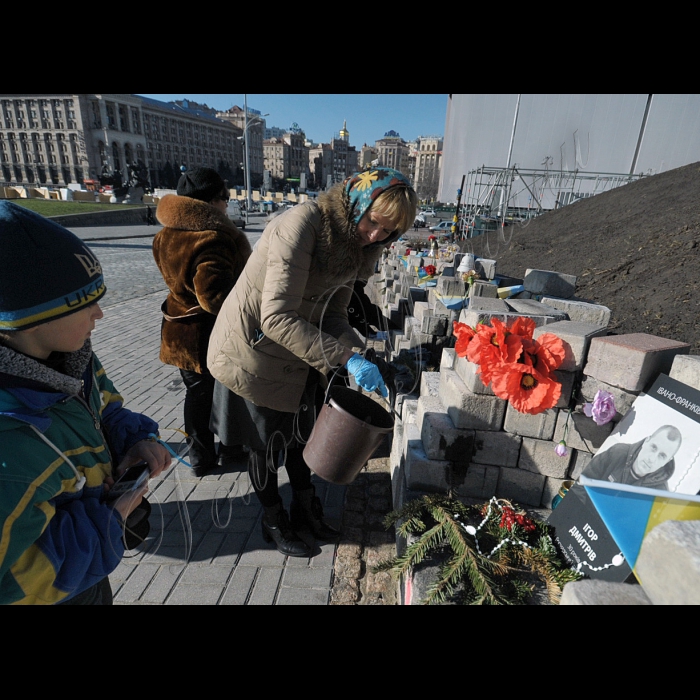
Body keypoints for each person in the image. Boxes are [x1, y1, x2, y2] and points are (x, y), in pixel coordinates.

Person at [208, 167, 418, 557]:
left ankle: (307, 511)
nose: (376, 235)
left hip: (298, 349)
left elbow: (333, 315)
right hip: (253, 349)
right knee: (266, 445)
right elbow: (275, 317)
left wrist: (362, 355)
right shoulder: (302, 224)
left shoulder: (361, 248)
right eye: (373, 222)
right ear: (357, 202)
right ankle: (274, 521)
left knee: (300, 435)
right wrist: (346, 358)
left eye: (388, 232)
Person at [0, 202, 171, 605]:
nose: (101, 314)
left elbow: (103, 407)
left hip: (87, 576)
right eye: (85, 304)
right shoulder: (8, 447)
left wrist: (133, 438)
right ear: (33, 316)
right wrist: (107, 520)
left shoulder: (71, 356)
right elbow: (11, 581)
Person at [153, 168, 252, 476]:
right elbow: (213, 296)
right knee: (223, 393)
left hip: (178, 330)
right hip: (209, 335)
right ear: (210, 202)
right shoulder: (212, 238)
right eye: (225, 198)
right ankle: (230, 449)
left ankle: (201, 456)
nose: (227, 205)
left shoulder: (166, 234)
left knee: (197, 397)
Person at [583, 425, 682, 491]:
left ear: (667, 461)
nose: (652, 459)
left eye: (662, 456)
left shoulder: (659, 493)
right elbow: (582, 483)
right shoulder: (617, 453)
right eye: (653, 447)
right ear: (646, 441)